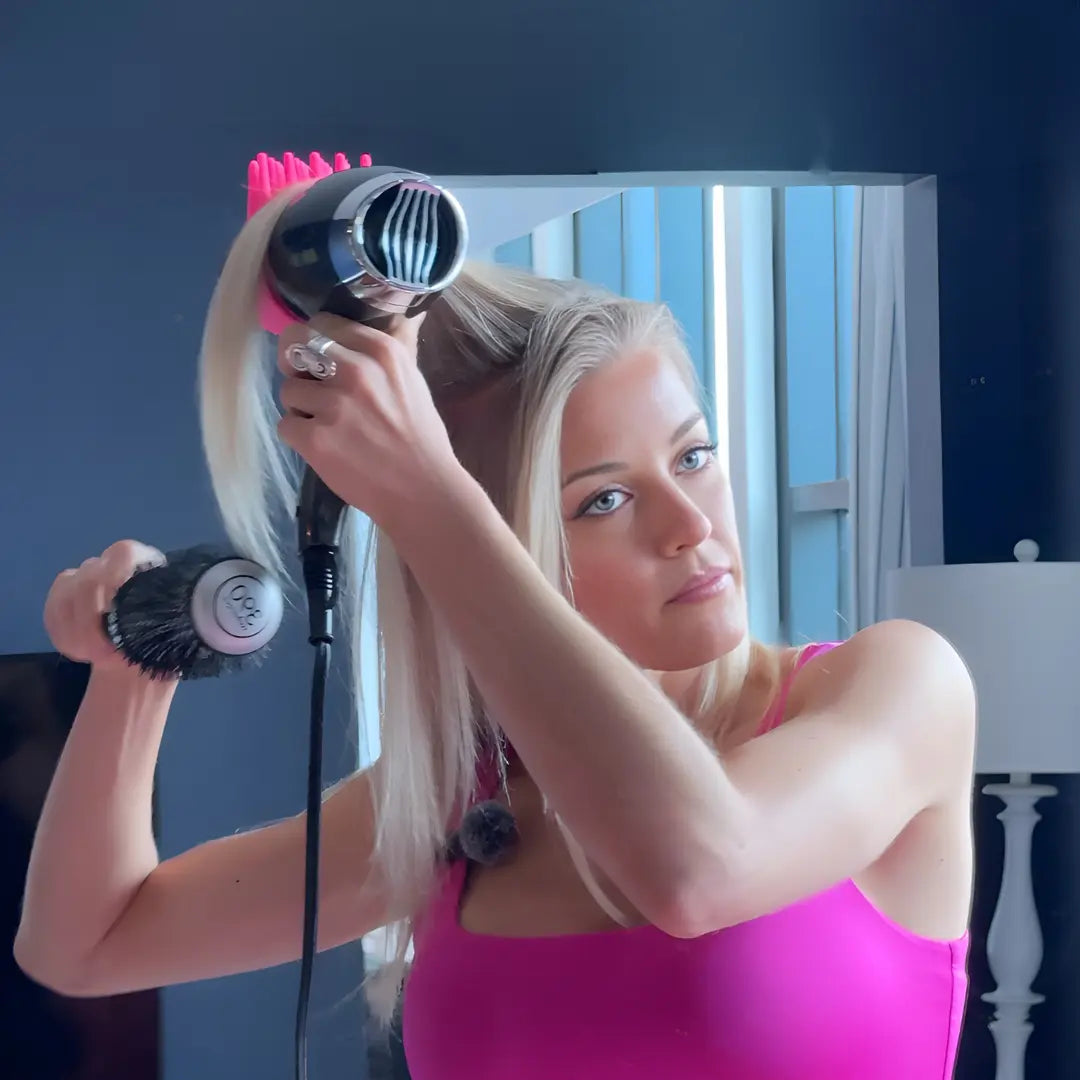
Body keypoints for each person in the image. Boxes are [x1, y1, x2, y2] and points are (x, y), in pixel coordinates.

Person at [15, 183, 976, 1078]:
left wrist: (425, 499)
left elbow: (698, 869)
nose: (691, 524)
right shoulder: (462, 795)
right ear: (502, 539)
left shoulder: (896, 687)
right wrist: (129, 670)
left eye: (695, 455)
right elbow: (89, 946)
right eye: (602, 500)